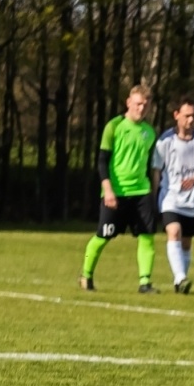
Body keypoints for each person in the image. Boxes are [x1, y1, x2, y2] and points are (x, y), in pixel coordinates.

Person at [80, 85, 160, 293]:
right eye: (137, 104)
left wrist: (153, 193)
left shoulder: (149, 132)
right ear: (128, 103)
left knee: (147, 236)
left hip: (141, 192)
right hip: (115, 193)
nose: (141, 108)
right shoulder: (114, 126)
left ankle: (145, 283)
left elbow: (152, 166)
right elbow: (101, 162)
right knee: (102, 236)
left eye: (145, 104)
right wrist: (108, 190)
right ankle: (86, 274)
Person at [151, 96, 194, 295]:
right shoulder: (165, 140)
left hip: (191, 201)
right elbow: (157, 170)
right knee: (174, 232)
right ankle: (180, 277)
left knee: (186, 243)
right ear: (176, 115)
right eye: (186, 116)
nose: (190, 120)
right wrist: (153, 196)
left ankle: (180, 282)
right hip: (170, 198)